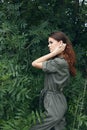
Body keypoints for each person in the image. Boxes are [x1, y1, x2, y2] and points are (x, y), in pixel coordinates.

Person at [30, 31, 76, 130]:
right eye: (48, 43)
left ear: (60, 44)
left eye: (51, 42)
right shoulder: (60, 61)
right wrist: (55, 53)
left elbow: (34, 63)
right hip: (56, 99)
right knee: (58, 127)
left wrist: (54, 53)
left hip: (54, 100)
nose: (48, 45)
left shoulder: (59, 62)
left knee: (38, 127)